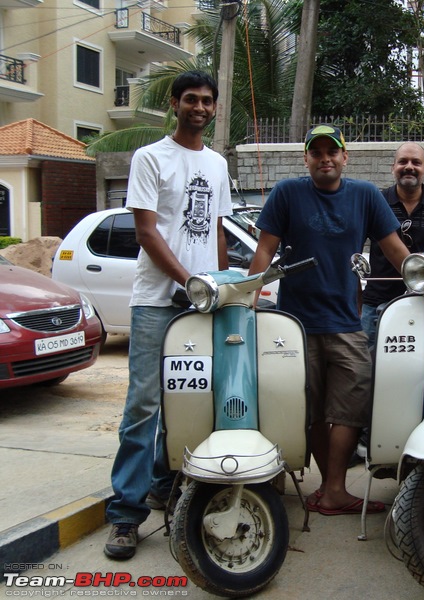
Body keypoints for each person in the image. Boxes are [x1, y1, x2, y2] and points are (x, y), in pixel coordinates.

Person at [248, 124, 409, 515]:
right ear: (306, 159)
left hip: (347, 322)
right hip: (296, 324)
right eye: (316, 153)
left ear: (344, 156)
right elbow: (264, 251)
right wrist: (246, 300)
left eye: (331, 152)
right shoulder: (288, 193)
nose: (325, 159)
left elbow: (396, 251)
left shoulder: (366, 196)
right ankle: (330, 489)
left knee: (350, 407)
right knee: (313, 410)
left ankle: (334, 488)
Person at [104, 71, 232, 559]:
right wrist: (188, 282)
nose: (199, 107)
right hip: (158, 301)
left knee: (190, 398)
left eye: (207, 101)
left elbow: (217, 230)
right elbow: (146, 231)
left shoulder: (217, 164)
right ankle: (125, 513)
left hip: (203, 303)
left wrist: (219, 285)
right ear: (174, 104)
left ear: (214, 108)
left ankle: (163, 483)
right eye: (190, 100)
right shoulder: (150, 158)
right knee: (143, 404)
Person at [361, 142, 424, 347]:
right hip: (376, 305)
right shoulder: (375, 202)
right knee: (364, 373)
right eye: (403, 161)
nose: (409, 166)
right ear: (393, 167)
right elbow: (353, 251)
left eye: (416, 162)